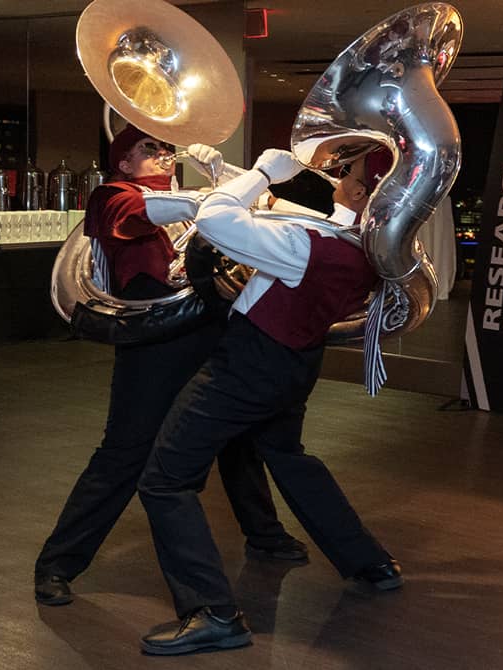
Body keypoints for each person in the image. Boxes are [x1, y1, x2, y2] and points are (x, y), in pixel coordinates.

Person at [134, 145, 402, 655]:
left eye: (348, 171)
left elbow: (217, 220)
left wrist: (258, 173)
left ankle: (212, 612)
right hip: (293, 364)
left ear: (365, 192)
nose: (339, 174)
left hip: (249, 367)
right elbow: (299, 215)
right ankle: (370, 561)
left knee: (165, 480)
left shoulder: (311, 248)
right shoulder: (360, 243)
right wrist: (234, 176)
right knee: (287, 456)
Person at [33, 126, 304, 608]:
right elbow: (139, 214)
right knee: (124, 454)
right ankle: (57, 564)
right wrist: (212, 197)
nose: (161, 155)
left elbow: (262, 221)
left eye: (164, 149)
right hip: (154, 343)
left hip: (210, 331)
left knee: (238, 441)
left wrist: (225, 178)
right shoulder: (110, 195)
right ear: (123, 162)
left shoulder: (188, 195)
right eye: (147, 149)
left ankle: (265, 534)